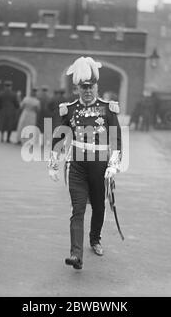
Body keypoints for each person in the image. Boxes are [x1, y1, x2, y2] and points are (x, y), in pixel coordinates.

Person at [48, 56, 122, 270]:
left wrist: (113, 164)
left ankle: (95, 239)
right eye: (83, 87)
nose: (87, 91)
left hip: (100, 164)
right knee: (77, 209)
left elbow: (116, 138)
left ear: (96, 87)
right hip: (77, 165)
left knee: (98, 207)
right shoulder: (69, 109)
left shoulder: (109, 109)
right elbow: (60, 136)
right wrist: (53, 163)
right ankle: (76, 254)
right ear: (77, 88)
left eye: (91, 87)